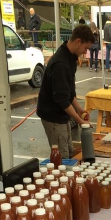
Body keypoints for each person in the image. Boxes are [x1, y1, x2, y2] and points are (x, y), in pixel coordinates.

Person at [37, 25, 95, 159]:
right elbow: (61, 98)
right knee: (62, 156)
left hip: (61, 114)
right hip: (52, 116)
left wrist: (79, 109)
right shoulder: (61, 63)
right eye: (85, 48)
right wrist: (79, 120)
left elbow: (68, 92)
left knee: (69, 151)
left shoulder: (70, 57)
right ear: (78, 41)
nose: (85, 53)